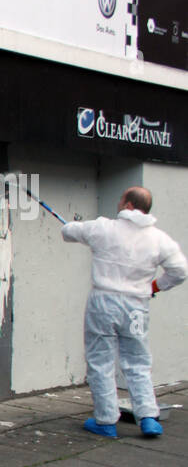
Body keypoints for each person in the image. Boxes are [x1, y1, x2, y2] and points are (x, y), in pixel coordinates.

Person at [61, 186, 186, 438]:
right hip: (136, 306)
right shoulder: (159, 239)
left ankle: (106, 421)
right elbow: (180, 271)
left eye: (121, 199)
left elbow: (68, 232)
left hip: (103, 302)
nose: (118, 203)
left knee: (100, 360)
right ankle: (149, 417)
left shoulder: (103, 228)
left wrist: (73, 226)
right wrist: (155, 286)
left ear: (128, 205)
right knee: (138, 361)